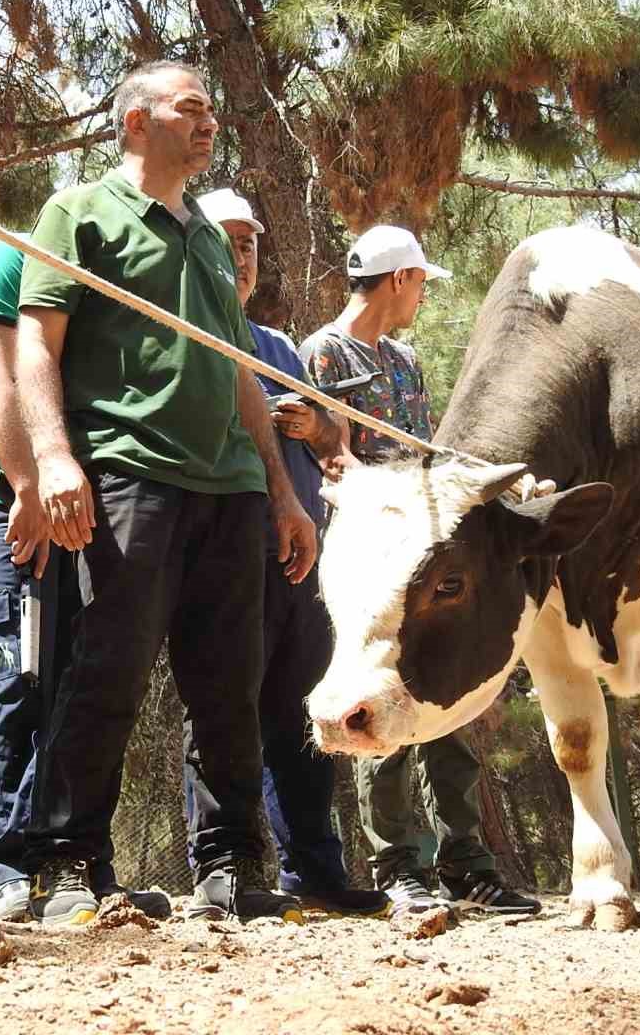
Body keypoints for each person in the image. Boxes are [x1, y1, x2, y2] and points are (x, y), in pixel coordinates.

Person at [16, 60, 318, 926]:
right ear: (135, 124)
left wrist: (282, 495)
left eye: (212, 110)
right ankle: (69, 865)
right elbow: (37, 344)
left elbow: (239, 373)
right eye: (191, 109)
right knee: (104, 669)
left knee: (231, 685)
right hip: (126, 473)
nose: (210, 123)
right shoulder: (76, 213)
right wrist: (54, 458)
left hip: (228, 490)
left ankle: (231, 869)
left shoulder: (213, 239)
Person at [299, 224, 541, 917]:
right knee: (374, 698)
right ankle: (399, 864)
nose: (420, 299)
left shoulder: (403, 360)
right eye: (419, 285)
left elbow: (431, 454)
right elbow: (330, 455)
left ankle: (467, 863)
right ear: (399, 279)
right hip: (366, 561)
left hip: (425, 551)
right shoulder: (321, 353)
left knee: (445, 704)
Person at [0, 235, 170, 921]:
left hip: (80, 503)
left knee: (86, 680)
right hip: (4, 499)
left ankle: (81, 861)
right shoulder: (3, 260)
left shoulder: (89, 280)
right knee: (19, 674)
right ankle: (15, 869)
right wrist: (26, 483)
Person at [191, 187, 387, 918]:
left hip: (304, 557)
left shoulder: (276, 345)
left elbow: (339, 444)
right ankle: (226, 869)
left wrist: (314, 427)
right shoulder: (179, 327)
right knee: (224, 707)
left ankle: (316, 871)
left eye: (249, 244)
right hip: (225, 544)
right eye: (226, 241)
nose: (240, 256)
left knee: (308, 714)